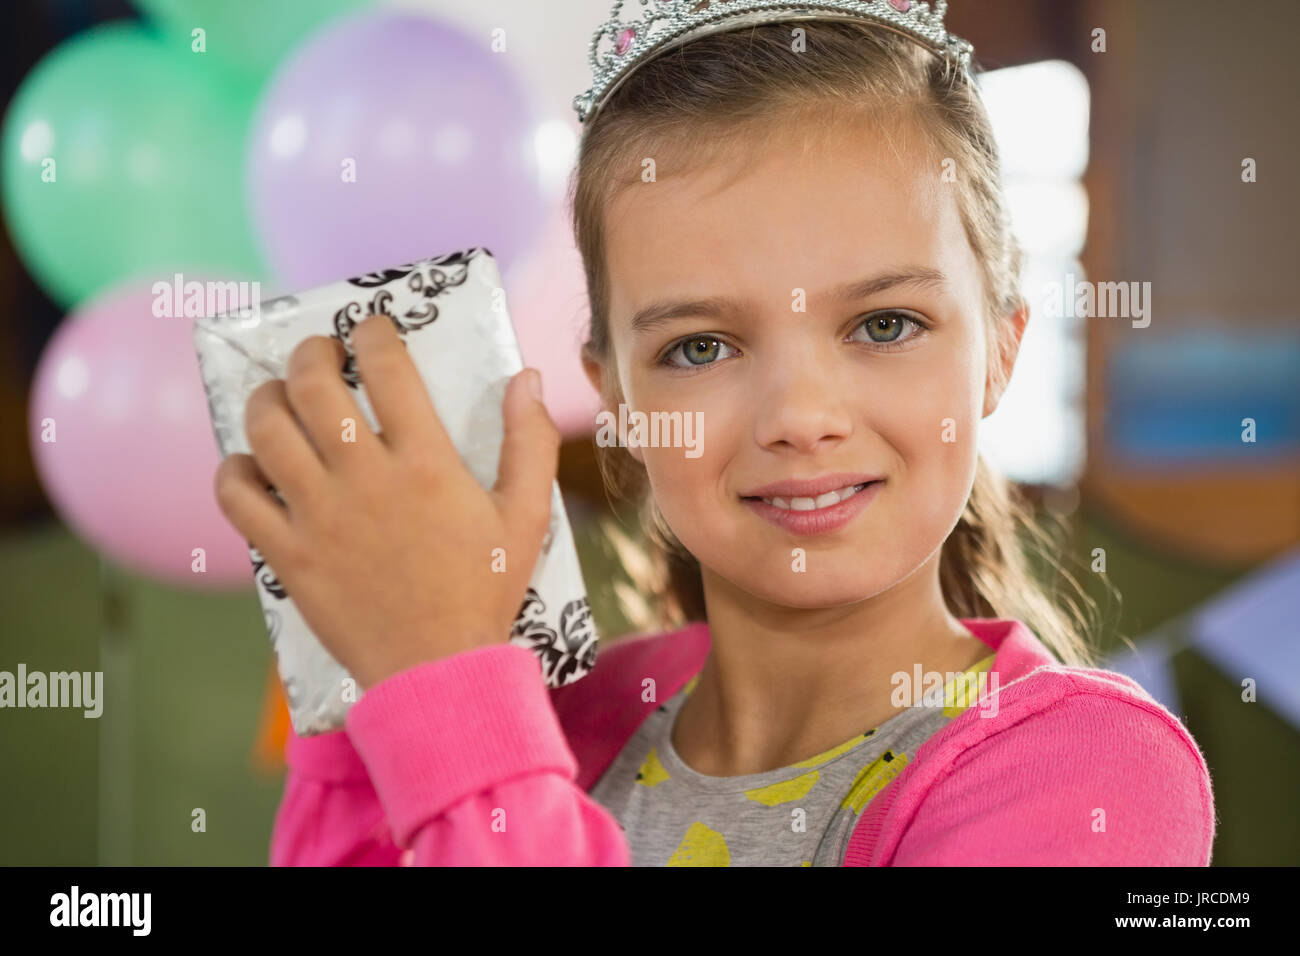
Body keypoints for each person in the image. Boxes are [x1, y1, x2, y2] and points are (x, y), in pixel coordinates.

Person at [216, 2, 1216, 866]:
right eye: (699, 347)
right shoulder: (562, 715)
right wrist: (366, 676)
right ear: (615, 397)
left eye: (883, 324)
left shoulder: (1088, 769)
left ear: (999, 351)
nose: (798, 417)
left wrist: (446, 684)